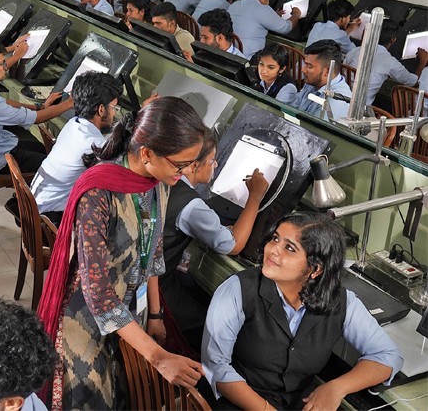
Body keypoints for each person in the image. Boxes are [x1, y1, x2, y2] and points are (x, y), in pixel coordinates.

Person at [37, 97, 207, 410]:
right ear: (146, 153)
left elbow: (153, 250)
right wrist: (157, 356)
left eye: (190, 164)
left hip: (127, 311)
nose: (184, 173)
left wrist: (155, 314)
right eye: (181, 165)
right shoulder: (99, 192)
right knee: (89, 397)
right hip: (83, 319)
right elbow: (98, 293)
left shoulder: (158, 181)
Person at [202, 213, 403, 411]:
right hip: (238, 402)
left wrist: (337, 387)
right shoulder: (236, 289)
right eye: (275, 239)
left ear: (315, 269)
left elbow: (388, 356)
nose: (272, 250)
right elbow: (217, 366)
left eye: (289, 248)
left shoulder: (343, 302)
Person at [159, 129, 269, 340]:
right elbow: (233, 245)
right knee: (204, 322)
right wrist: (255, 196)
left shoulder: (167, 181)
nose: (215, 165)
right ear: (192, 165)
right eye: (212, 160)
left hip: (153, 275)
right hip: (157, 285)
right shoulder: (191, 206)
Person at [0, 37, 73, 174]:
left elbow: (5, 102)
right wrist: (70, 103)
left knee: (43, 148)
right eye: (2, 63)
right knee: (56, 166)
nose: (6, 67)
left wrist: (39, 106)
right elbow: (38, 118)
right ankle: (27, 194)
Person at [30, 71, 123, 226]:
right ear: (101, 109)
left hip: (37, 207)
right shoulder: (91, 144)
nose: (114, 114)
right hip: (49, 220)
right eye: (114, 108)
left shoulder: (74, 123)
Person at [344, 19, 427, 105]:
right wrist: (423, 61)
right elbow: (414, 82)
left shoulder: (354, 51)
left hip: (343, 100)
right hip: (361, 109)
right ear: (393, 40)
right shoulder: (390, 62)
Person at [228, 0, 301, 57]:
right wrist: (296, 14)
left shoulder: (235, 4)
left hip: (231, 52)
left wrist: (273, 15)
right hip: (249, 57)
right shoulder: (262, 8)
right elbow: (286, 28)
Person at [293, 39, 352, 119]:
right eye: (305, 64)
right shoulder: (313, 81)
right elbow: (294, 107)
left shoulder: (335, 102)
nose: (303, 69)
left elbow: (311, 129)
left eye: (309, 66)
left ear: (327, 71)